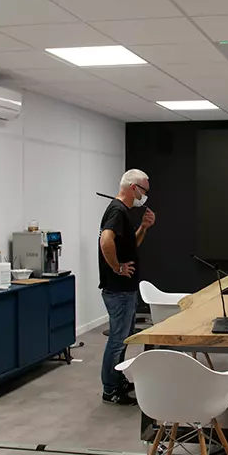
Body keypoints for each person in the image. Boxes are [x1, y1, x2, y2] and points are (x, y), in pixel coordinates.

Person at [98, 169, 156, 405]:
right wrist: (117, 267)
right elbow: (105, 240)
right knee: (117, 339)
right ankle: (110, 389)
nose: (146, 196)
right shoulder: (117, 210)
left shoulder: (123, 212)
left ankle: (117, 379)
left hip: (125, 289)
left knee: (123, 338)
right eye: (145, 191)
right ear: (134, 188)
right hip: (118, 289)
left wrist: (144, 227)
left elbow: (131, 246)